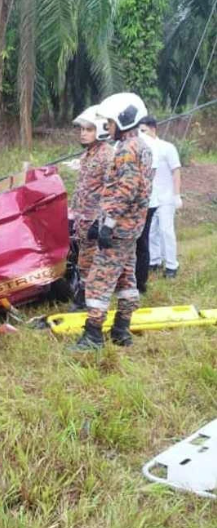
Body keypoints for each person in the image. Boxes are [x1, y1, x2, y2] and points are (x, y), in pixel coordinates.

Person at [72, 93, 153, 351]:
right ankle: (121, 329)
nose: (107, 127)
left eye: (109, 122)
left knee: (99, 279)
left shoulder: (127, 150)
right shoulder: (143, 147)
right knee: (126, 278)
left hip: (119, 228)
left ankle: (93, 336)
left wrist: (107, 223)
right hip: (132, 228)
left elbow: (125, 190)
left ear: (122, 120)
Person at [67, 105, 113, 311]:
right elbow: (83, 189)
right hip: (82, 220)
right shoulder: (88, 156)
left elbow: (111, 191)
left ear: (100, 130)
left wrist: (101, 221)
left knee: (92, 262)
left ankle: (88, 301)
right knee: (83, 261)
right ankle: (84, 297)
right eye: (82, 130)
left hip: (96, 221)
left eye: (89, 130)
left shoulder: (107, 155)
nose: (83, 134)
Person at [138, 116, 183, 280]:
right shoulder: (141, 149)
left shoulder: (167, 147)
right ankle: (154, 261)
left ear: (153, 129)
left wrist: (177, 195)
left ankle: (171, 265)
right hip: (150, 198)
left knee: (166, 230)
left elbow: (176, 171)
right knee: (151, 232)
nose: (141, 134)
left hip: (166, 197)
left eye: (144, 131)